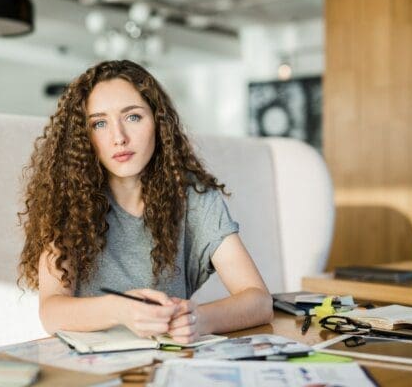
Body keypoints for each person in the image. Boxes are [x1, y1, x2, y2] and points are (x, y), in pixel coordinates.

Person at [17, 60, 273, 343]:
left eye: (133, 117)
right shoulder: (68, 200)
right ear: (83, 137)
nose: (119, 138)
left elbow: (259, 301)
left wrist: (199, 319)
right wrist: (120, 309)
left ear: (158, 123)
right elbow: (51, 313)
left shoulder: (194, 197)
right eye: (99, 123)